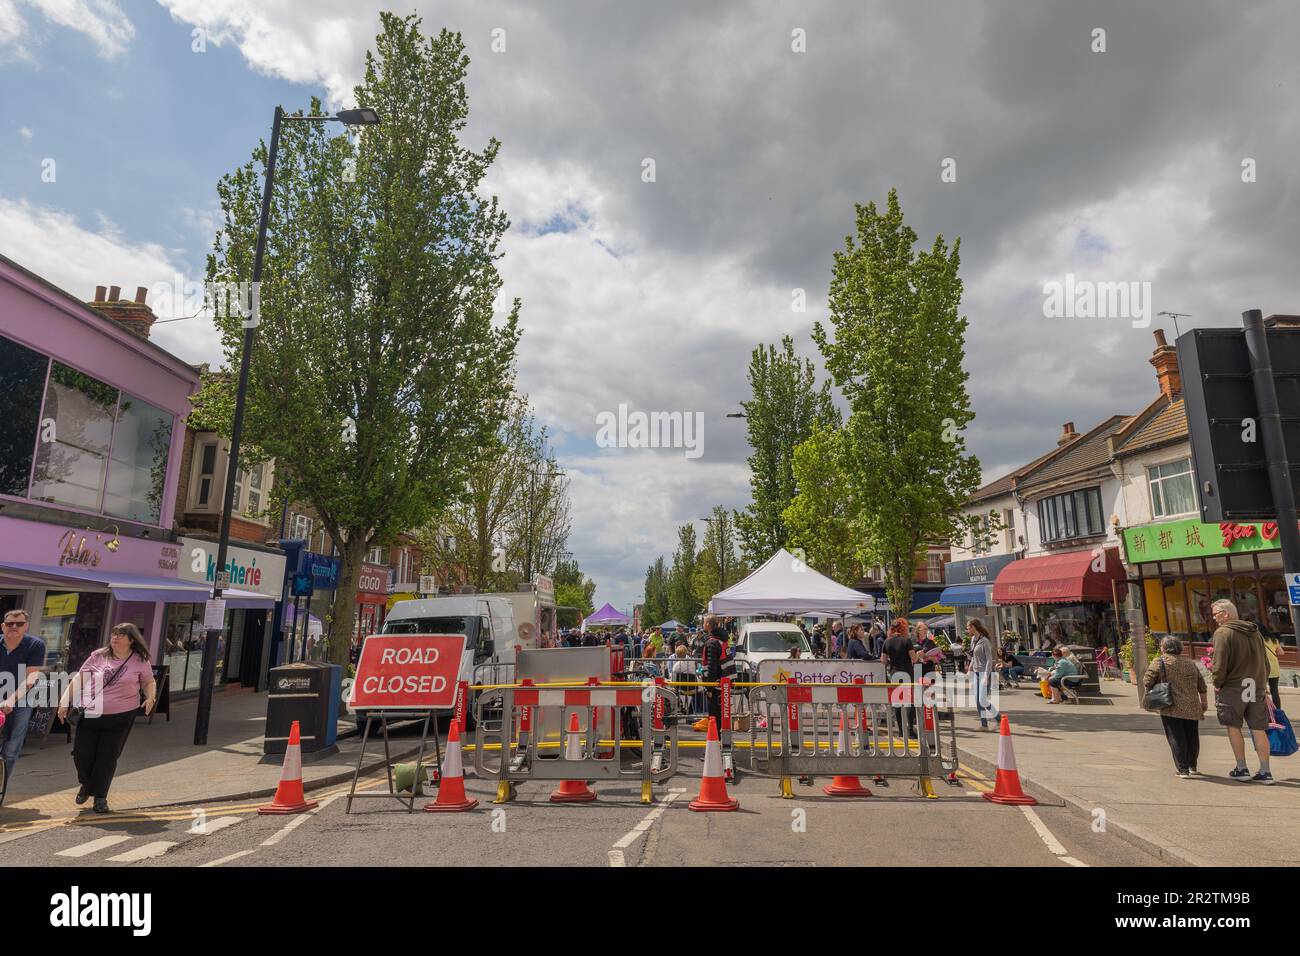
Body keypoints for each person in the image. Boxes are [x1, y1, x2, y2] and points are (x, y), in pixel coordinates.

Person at [56, 623, 156, 813]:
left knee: (107, 757)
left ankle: (100, 797)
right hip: (92, 712)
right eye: (114, 634)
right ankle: (86, 783)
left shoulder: (139, 659)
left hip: (122, 715)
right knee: (81, 755)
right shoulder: (99, 655)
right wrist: (64, 702)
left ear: (131, 640)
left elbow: (148, 681)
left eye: (121, 635)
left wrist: (151, 697)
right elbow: (79, 679)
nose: (115, 637)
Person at [1210, 599, 1274, 784]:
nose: (1214, 618)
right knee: (1258, 728)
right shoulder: (1255, 632)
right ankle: (1265, 771)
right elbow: (1265, 661)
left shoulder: (1223, 633)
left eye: (1216, 614)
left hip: (1233, 686)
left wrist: (1217, 682)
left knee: (1233, 726)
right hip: (1256, 684)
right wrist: (1263, 681)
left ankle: (1241, 767)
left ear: (1226, 614)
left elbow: (1219, 662)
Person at [1143, 636, 1208, 778]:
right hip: (1192, 706)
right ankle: (1192, 766)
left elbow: (1147, 680)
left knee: (1176, 737)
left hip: (1170, 706)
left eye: (1161, 646)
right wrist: (1204, 702)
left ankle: (1182, 769)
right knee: (1192, 737)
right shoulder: (1189, 662)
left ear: (1164, 648)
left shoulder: (1160, 661)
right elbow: (1201, 684)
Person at [0, 609, 46, 800]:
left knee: (11, 747)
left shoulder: (35, 645)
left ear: (26, 626)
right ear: (3, 625)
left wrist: (11, 699)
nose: (13, 627)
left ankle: (1, 786)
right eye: (10, 623)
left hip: (21, 695)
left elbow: (31, 678)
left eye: (18, 624)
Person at [882, 618, 919, 738]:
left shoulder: (887, 642)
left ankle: (901, 730)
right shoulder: (906, 641)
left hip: (894, 673)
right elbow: (914, 659)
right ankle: (910, 730)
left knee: (897, 702)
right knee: (909, 701)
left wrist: (892, 660)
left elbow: (883, 660)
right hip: (907, 672)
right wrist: (918, 655)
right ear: (903, 628)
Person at [966, 618, 1000, 729]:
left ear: (973, 627)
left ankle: (999, 719)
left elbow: (989, 660)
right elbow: (973, 657)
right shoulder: (972, 640)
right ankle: (984, 725)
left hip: (985, 673)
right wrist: (969, 670)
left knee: (982, 700)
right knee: (977, 700)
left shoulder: (985, 641)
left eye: (968, 627)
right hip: (976, 673)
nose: (967, 630)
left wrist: (986, 675)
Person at [1262, 631, 1282, 708]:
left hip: (1264, 668)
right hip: (1275, 668)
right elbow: (1281, 652)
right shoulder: (1274, 640)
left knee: (1261, 691)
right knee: (1275, 692)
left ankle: (1265, 710)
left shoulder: (1258, 640)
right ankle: (1278, 710)